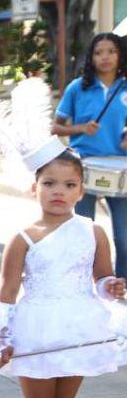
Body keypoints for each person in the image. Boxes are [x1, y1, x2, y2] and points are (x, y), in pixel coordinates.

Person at [0, 133, 127, 398]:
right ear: (34, 188)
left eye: (68, 185)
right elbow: (8, 292)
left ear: (82, 190)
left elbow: (100, 279)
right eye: (49, 184)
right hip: (38, 328)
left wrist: (111, 286)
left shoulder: (93, 231)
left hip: (78, 325)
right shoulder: (23, 238)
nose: (58, 192)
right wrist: (1, 336)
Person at [53, 32, 127, 277]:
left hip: (121, 171)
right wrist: (80, 128)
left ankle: (120, 285)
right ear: (91, 57)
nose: (105, 57)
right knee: (84, 233)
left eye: (111, 51)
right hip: (83, 167)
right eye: (98, 52)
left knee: (124, 237)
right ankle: (85, 283)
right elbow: (56, 126)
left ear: (120, 55)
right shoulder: (78, 88)